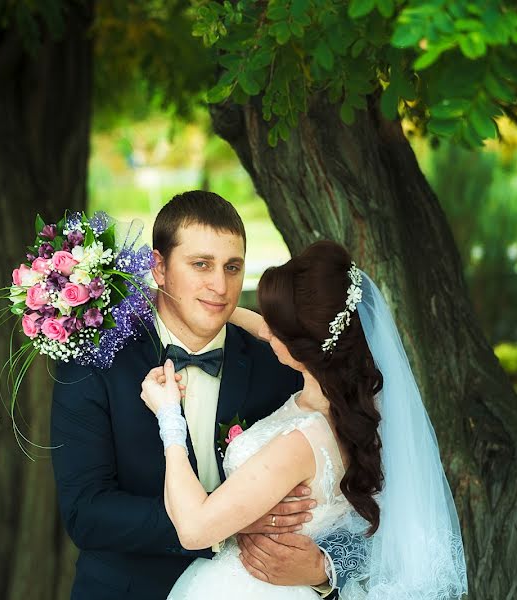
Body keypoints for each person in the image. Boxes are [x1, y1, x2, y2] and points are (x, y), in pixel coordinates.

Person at [51, 191, 346, 599]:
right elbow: (86, 512)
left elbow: (344, 490)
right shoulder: (96, 364)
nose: (220, 286)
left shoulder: (276, 362)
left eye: (233, 267)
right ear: (158, 267)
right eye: (201, 265)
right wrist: (225, 522)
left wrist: (322, 570)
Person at [140, 240, 468, 599]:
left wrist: (170, 416)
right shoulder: (356, 405)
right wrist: (190, 296)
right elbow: (266, 328)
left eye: (276, 326)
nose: (266, 330)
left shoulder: (301, 442)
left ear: (298, 347)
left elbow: (193, 529)